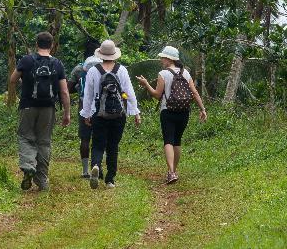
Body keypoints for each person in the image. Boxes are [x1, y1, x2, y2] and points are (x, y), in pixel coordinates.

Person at [8, 31, 70, 191]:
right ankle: (42, 180)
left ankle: (28, 166)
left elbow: (12, 80)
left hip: (28, 105)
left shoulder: (26, 60)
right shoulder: (57, 64)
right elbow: (64, 92)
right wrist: (67, 113)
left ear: (36, 44)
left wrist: (25, 82)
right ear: (52, 45)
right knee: (44, 141)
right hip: (48, 108)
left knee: (25, 137)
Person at [137, 45, 207, 184]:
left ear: (169, 59)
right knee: (177, 141)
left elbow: (157, 95)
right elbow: (194, 93)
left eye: (163, 57)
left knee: (168, 140)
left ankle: (171, 172)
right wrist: (202, 109)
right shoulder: (185, 73)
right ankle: (173, 171)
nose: (161, 60)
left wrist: (146, 84)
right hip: (184, 111)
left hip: (168, 111)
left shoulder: (163, 74)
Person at [80, 39, 141, 189]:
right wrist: (136, 112)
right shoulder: (122, 70)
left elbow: (87, 95)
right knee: (113, 146)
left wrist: (86, 114)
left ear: (100, 55)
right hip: (118, 115)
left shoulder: (93, 71)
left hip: (98, 114)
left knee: (98, 145)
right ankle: (110, 180)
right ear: (114, 55)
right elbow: (129, 93)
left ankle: (95, 165)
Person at [68, 56, 101, 178]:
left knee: (85, 139)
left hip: (83, 106)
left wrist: (78, 88)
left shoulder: (78, 69)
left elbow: (68, 88)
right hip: (101, 107)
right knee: (99, 138)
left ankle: (85, 171)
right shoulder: (104, 67)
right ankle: (97, 166)